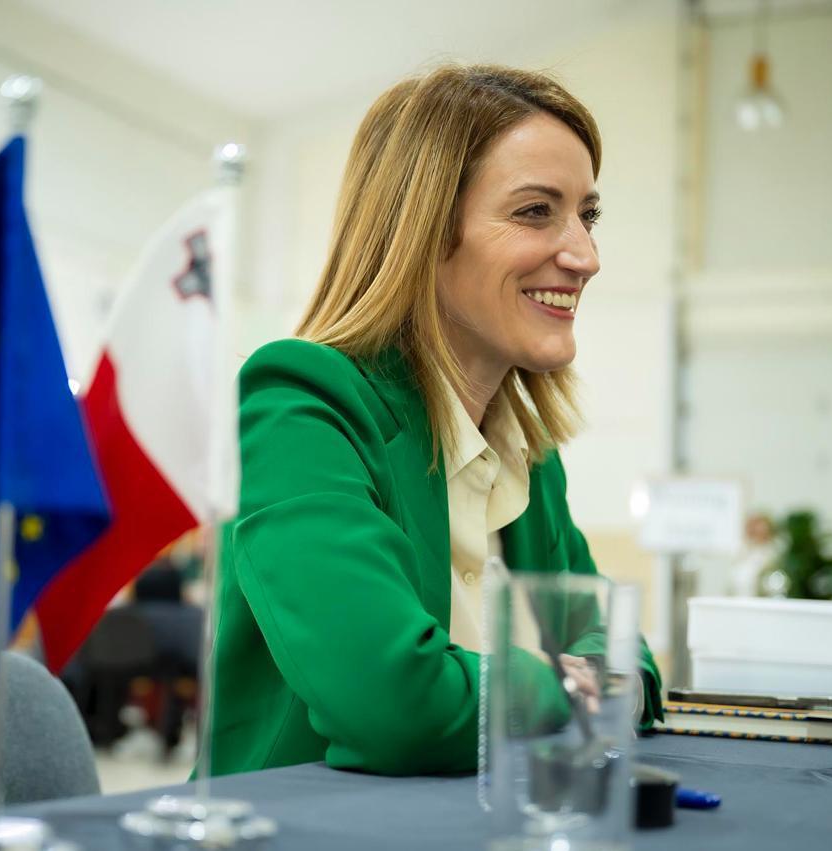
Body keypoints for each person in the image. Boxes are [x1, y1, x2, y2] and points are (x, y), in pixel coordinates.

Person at [208, 64, 664, 778]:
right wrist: (580, 686)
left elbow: (627, 647)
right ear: (422, 231)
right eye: (536, 211)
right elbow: (394, 703)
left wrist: (574, 680)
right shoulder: (300, 404)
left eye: (587, 215)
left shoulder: (526, 450)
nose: (585, 256)